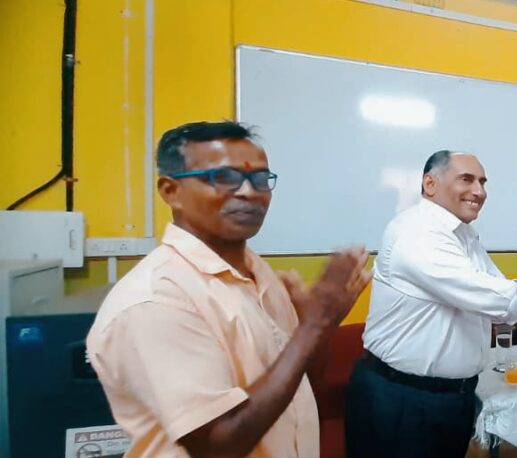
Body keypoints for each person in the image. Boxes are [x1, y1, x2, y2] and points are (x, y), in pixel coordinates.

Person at [87, 121, 369, 457]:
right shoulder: (156, 300)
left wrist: (320, 329)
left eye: (260, 179)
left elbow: (304, 379)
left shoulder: (257, 271)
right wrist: (314, 325)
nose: (249, 192)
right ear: (171, 191)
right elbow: (219, 443)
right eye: (224, 177)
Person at [345, 150, 517, 457]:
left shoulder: (464, 234)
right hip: (402, 399)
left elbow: (498, 292)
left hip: (450, 398)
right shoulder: (417, 232)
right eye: (466, 180)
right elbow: (492, 296)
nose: (479, 191)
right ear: (430, 184)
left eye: (482, 182)